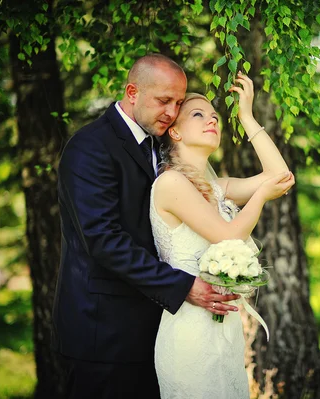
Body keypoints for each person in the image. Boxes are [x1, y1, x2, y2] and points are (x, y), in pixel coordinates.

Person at [52, 54, 240, 399]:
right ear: (132, 91)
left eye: (179, 102)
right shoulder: (90, 148)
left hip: (156, 329)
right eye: (163, 100)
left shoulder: (160, 145)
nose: (172, 111)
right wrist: (183, 286)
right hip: (104, 333)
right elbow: (104, 240)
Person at [150, 71, 295, 398]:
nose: (211, 120)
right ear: (174, 130)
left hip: (226, 327)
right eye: (198, 114)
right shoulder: (171, 184)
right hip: (189, 329)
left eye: (215, 116)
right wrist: (260, 196)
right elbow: (228, 237)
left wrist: (246, 116)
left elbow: (280, 176)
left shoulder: (220, 188)